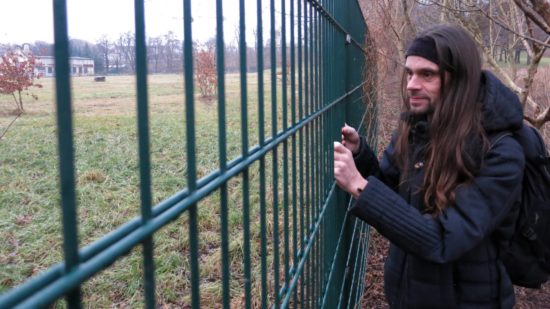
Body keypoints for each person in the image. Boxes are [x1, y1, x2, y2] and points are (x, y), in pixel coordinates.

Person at [333, 24, 525, 308]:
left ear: (459, 80)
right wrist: (360, 156)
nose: (411, 84)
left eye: (427, 74)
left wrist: (360, 187)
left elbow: (443, 240)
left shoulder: (500, 152)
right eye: (409, 72)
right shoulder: (416, 128)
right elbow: (393, 194)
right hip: (408, 294)